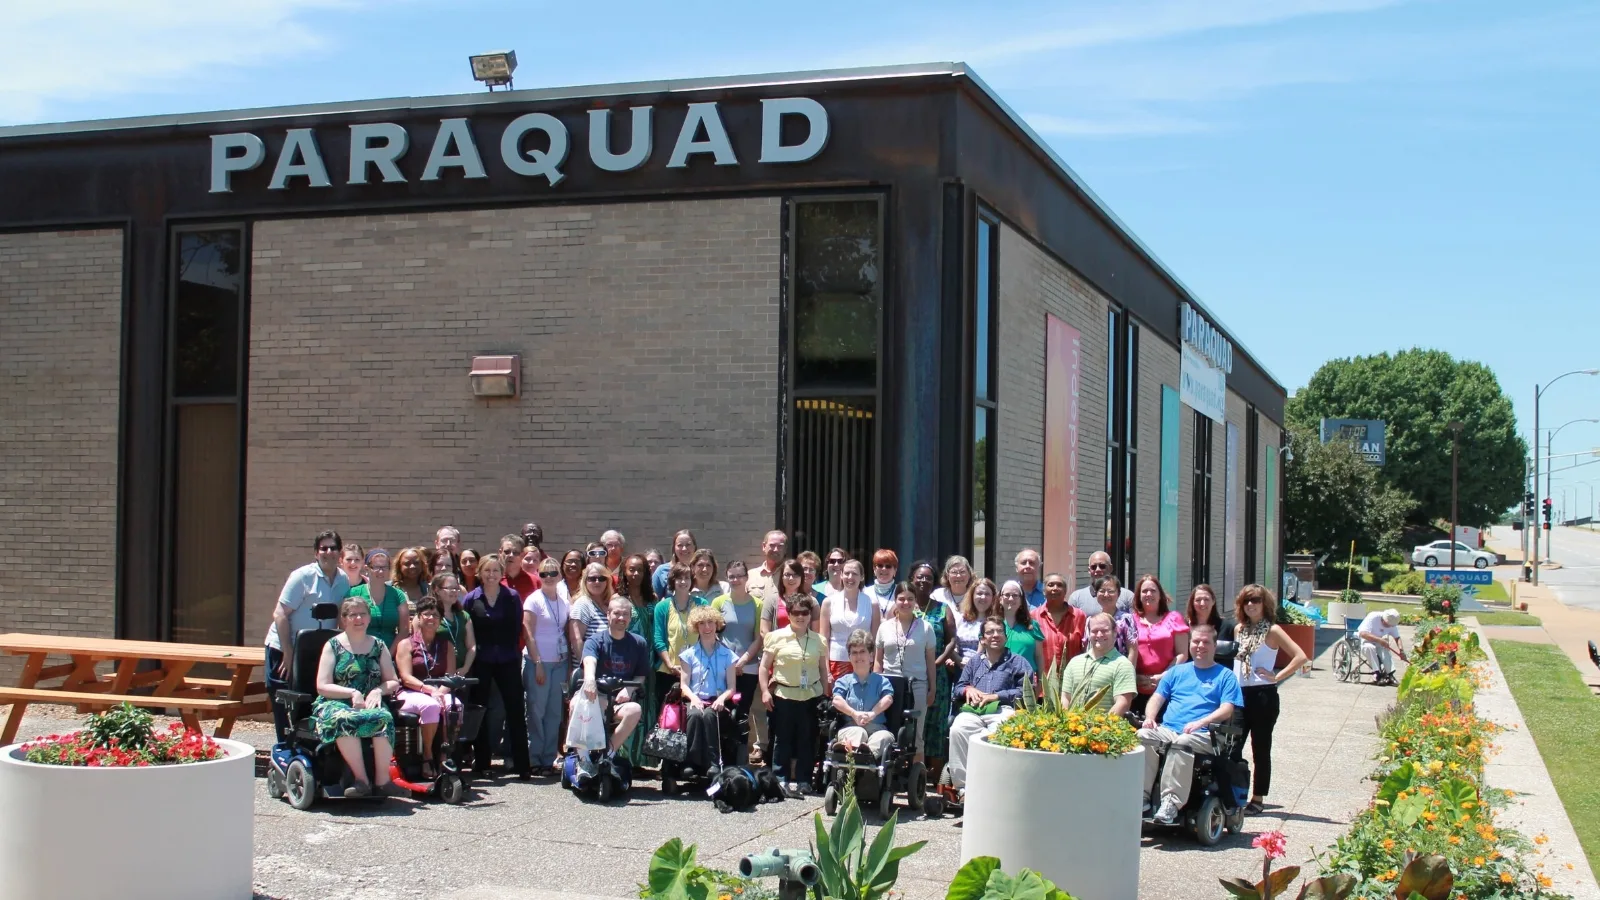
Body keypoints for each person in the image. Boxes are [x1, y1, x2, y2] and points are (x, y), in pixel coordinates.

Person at [1138, 623, 1243, 824]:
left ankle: (1170, 803)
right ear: (1190, 644)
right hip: (1170, 729)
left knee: (1182, 742)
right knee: (1143, 736)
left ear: (1214, 646)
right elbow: (1157, 698)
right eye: (1196, 641)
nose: (1200, 646)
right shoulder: (1176, 672)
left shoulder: (1225, 676)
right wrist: (1150, 717)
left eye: (1205, 642)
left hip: (1205, 734)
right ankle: (1142, 798)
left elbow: (1227, 709)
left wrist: (1200, 722)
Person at [265, 530, 350, 740]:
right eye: (323, 548)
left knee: (308, 703)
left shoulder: (344, 580)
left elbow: (341, 617)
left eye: (333, 548)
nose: (328, 552)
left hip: (315, 652)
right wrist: (288, 652)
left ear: (339, 553)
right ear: (316, 553)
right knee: (284, 703)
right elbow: (280, 614)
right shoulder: (302, 576)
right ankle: (283, 750)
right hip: (285, 648)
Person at [312, 597, 399, 798]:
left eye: (363, 614)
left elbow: (393, 681)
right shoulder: (333, 645)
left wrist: (378, 691)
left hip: (369, 700)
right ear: (344, 619)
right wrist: (351, 693)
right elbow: (322, 685)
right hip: (335, 701)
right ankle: (361, 781)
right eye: (353, 614)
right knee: (344, 719)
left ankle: (383, 782)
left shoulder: (378, 645)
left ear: (369, 618)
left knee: (383, 718)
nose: (358, 618)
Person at [1233, 584, 1308, 813]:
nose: (1251, 605)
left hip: (1263, 695)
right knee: (1233, 748)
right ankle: (1235, 793)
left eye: (1255, 600)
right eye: (1246, 601)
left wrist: (1277, 676)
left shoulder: (1272, 631)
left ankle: (1257, 798)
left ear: (1264, 603)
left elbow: (1301, 656)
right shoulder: (1239, 629)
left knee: (1260, 748)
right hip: (1239, 694)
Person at [945, 616, 1034, 793]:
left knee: (993, 733)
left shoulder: (1018, 662)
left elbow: (1025, 692)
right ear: (982, 639)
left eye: (999, 631)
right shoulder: (975, 662)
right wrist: (967, 690)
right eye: (990, 632)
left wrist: (996, 696)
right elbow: (959, 688)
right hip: (974, 710)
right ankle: (963, 788)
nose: (995, 635)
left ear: (1006, 637)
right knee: (958, 729)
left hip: (1003, 710)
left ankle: (993, 783)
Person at [461, 555, 531, 779]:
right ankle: (482, 763)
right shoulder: (472, 599)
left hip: (508, 659)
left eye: (495, 571)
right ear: (480, 573)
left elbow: (519, 628)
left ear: (501, 573)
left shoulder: (511, 597)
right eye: (486, 571)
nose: (491, 575)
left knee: (515, 710)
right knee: (480, 710)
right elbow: (467, 632)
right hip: (482, 661)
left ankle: (522, 765)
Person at [759, 594, 829, 798]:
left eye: (805, 613)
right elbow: (764, 667)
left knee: (807, 740)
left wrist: (825, 695)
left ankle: (804, 781)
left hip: (811, 696)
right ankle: (780, 779)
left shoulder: (819, 640)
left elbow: (823, 671)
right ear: (788, 614)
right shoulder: (775, 637)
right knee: (782, 739)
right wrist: (765, 691)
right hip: (784, 694)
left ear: (810, 615)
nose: (800, 617)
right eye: (796, 613)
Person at [394, 597, 461, 779]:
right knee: (430, 706)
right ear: (418, 617)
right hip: (411, 692)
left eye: (435, 614)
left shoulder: (446, 644)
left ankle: (445, 755)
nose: (431, 618)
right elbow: (406, 677)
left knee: (454, 705)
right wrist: (430, 691)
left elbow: (450, 675)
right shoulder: (406, 644)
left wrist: (440, 691)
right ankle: (428, 756)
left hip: (440, 690)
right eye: (427, 614)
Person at [575, 595, 651, 756]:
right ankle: (583, 758)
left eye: (625, 614)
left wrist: (628, 690)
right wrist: (589, 680)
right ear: (608, 615)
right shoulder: (594, 641)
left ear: (630, 618)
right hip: (594, 697)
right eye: (616, 613)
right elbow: (589, 662)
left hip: (618, 702)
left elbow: (640, 675)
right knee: (576, 704)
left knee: (635, 709)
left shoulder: (639, 643)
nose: (621, 618)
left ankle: (609, 751)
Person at [875, 584, 938, 762]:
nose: (906, 602)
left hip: (916, 684)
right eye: (901, 598)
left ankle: (917, 774)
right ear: (895, 600)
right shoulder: (884, 627)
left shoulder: (925, 628)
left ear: (915, 601)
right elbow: (878, 661)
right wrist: (875, 684)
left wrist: (932, 689)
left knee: (916, 733)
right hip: (889, 684)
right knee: (888, 728)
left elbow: (930, 661)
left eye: (910, 598)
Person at [713, 561, 764, 763]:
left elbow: (758, 637)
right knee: (722, 712)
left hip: (748, 668)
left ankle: (740, 759)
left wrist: (742, 661)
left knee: (742, 713)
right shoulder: (718, 603)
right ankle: (721, 757)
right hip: (724, 667)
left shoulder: (757, 604)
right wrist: (732, 663)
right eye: (731, 576)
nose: (735, 580)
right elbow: (713, 634)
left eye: (739, 576)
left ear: (746, 577)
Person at [679, 605, 740, 773]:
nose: (707, 627)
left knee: (709, 715)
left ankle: (714, 762)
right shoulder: (688, 654)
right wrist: (693, 699)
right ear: (696, 627)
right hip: (695, 699)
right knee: (695, 715)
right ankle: (691, 762)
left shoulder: (728, 655)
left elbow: (732, 687)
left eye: (710, 622)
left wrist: (721, 699)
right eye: (702, 623)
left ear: (717, 624)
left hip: (717, 700)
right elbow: (684, 685)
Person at [523, 560, 570, 775]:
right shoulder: (533, 600)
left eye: (553, 572)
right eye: (544, 573)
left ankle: (549, 757)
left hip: (559, 663)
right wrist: (538, 662)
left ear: (560, 575)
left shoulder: (564, 600)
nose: (549, 577)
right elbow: (529, 634)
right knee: (536, 710)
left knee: (554, 713)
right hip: (538, 663)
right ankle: (534, 757)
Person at [908, 561, 956, 769]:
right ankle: (910, 770)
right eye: (920, 576)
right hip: (910, 673)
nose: (923, 580)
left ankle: (933, 774)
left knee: (936, 723)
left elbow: (952, 640)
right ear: (912, 579)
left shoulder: (943, 609)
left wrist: (935, 663)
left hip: (937, 674)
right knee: (912, 721)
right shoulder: (904, 606)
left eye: (928, 577)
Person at [831, 630, 896, 758]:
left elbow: (888, 698)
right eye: (854, 653)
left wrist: (872, 714)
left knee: (884, 737)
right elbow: (836, 700)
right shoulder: (844, 681)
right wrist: (853, 713)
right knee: (859, 732)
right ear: (849, 657)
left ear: (871, 655)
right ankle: (854, 754)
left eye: (862, 652)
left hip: (877, 728)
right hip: (851, 726)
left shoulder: (881, 681)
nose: (858, 656)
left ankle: (867, 755)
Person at [1131, 574, 1188, 716]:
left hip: (1167, 688)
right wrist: (1134, 676)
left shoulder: (1173, 618)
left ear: (1160, 595)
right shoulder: (1130, 620)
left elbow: (1182, 654)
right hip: (1136, 688)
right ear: (1138, 596)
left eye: (1153, 590)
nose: (1148, 594)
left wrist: (1163, 676)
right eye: (1144, 591)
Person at [653, 563, 707, 711]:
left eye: (687, 578)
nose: (683, 582)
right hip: (668, 671)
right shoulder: (662, 606)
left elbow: (708, 635)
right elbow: (658, 639)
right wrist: (670, 665)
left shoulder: (701, 604)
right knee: (667, 717)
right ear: (672, 581)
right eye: (679, 578)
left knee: (692, 714)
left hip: (696, 670)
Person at [1060, 613, 1136, 715]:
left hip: (1105, 728)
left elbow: (1123, 703)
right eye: (1094, 631)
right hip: (1073, 727)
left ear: (1115, 632)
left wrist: (1102, 727)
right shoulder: (1074, 663)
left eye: (1104, 631)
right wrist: (1068, 723)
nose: (1099, 635)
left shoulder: (1123, 665)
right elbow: (1065, 697)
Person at [820, 559, 879, 680]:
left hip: (863, 662)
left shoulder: (872, 603)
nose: (850, 577)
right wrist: (826, 670)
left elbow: (875, 639)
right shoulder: (828, 602)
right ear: (841, 575)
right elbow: (823, 639)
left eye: (855, 574)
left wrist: (874, 666)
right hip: (836, 662)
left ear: (862, 577)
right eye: (846, 573)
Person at [347, 549, 410, 650]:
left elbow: (404, 630)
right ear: (367, 568)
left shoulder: (398, 595)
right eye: (376, 567)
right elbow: (345, 626)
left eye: (384, 567)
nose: (381, 571)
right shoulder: (354, 593)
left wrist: (389, 655)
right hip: (360, 652)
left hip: (390, 653)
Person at [1033, 572, 1086, 675]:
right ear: (1043, 591)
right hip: (1043, 682)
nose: (1055, 588)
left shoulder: (1079, 616)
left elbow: (1085, 649)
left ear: (1065, 591)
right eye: (1050, 585)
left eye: (1059, 585)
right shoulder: (1034, 616)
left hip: (1073, 680)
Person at [998, 580, 1045, 677]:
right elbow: (981, 654)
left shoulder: (1032, 625)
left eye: (1015, 595)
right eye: (1007, 595)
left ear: (1021, 600)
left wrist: (1041, 682)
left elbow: (1039, 657)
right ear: (1000, 599)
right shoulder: (991, 625)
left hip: (1026, 681)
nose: (1011, 598)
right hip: (997, 681)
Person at [952, 578, 1000, 668]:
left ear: (993, 598)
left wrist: (972, 663)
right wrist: (958, 659)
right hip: (960, 669)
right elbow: (953, 644)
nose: (983, 597)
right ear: (972, 596)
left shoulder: (997, 622)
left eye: (987, 594)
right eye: (979, 593)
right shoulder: (961, 619)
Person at [434, 570, 476, 672]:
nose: (454, 592)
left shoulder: (463, 615)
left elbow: (471, 646)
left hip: (460, 673)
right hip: (437, 673)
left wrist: (465, 669)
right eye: (449, 588)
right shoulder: (428, 615)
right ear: (437, 590)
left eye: (456, 588)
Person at [1068, 551, 1134, 616]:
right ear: (1089, 570)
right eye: (1093, 567)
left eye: (1102, 566)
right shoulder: (1076, 598)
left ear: (1111, 568)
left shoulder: (1128, 596)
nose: (1098, 570)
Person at [1186, 584, 1235, 670]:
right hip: (1190, 677)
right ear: (1192, 603)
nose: (1202, 603)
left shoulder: (1227, 627)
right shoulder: (1184, 626)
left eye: (1206, 599)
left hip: (1218, 678)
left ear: (1213, 601)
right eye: (1198, 600)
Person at [1092, 575, 1140, 658]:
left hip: (1121, 668)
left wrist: (1127, 670)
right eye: (1102, 591)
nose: (1106, 595)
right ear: (1096, 593)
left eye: (1110, 591)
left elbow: (1133, 651)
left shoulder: (1127, 619)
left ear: (1118, 593)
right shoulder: (1092, 621)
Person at [1357, 607, 1407, 686]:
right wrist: (1379, 640)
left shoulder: (1392, 623)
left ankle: (1390, 674)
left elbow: (1397, 637)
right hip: (1365, 640)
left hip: (1379, 641)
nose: (1388, 627)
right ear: (1383, 619)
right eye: (1387, 625)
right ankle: (1377, 674)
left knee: (1385, 649)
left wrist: (1401, 651)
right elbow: (1362, 633)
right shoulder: (1373, 617)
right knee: (1370, 648)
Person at [654, 530, 697, 599]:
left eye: (688, 545)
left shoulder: (700, 571)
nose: (684, 549)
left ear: (694, 547)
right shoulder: (662, 571)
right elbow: (653, 601)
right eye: (680, 545)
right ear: (674, 548)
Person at [746, 530, 788, 601]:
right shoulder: (750, 575)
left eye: (780, 546)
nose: (776, 550)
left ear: (785, 549)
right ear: (764, 546)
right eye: (772, 545)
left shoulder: (792, 575)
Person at [932, 555, 975, 619]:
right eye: (954, 572)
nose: (958, 576)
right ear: (947, 575)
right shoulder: (937, 595)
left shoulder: (975, 595)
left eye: (962, 572)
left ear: (969, 574)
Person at [499, 534, 539, 601]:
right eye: (507, 552)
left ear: (522, 555)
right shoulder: (493, 579)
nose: (511, 555)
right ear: (500, 552)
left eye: (515, 553)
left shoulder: (535, 581)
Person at [868, 549, 899, 615]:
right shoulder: (865, 592)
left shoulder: (901, 592)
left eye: (888, 566)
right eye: (880, 565)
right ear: (874, 569)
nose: (884, 569)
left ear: (895, 570)